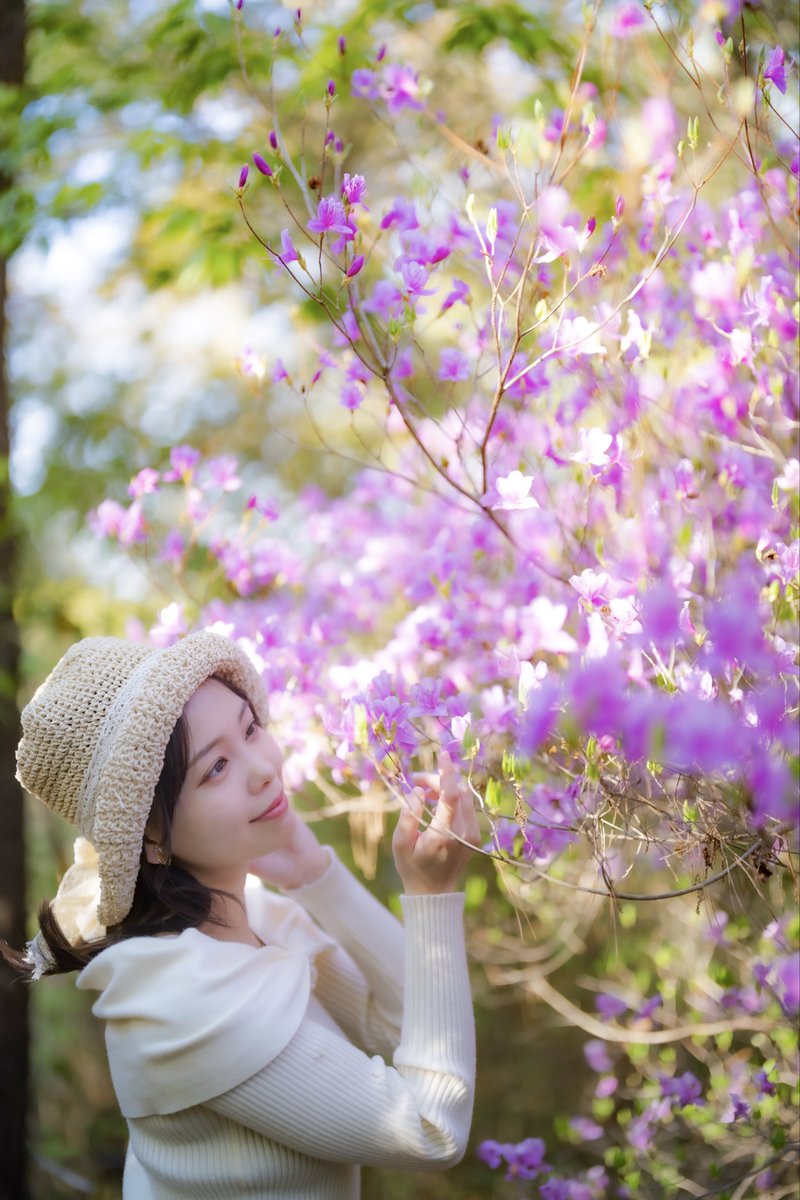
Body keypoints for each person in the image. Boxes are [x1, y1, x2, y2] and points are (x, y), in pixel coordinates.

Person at [3, 631, 479, 1199]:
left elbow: (401, 1024)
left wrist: (314, 875)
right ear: (150, 837)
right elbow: (430, 1129)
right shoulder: (178, 997)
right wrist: (430, 895)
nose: (262, 768)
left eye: (250, 727)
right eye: (217, 767)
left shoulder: (255, 918)